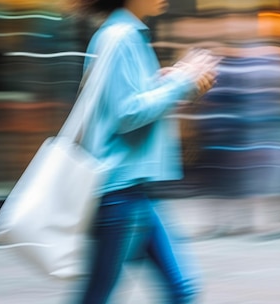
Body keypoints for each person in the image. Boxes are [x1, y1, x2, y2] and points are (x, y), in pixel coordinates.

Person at [68, 0, 219, 303]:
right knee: (99, 296)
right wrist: (181, 82)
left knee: (181, 290)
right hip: (119, 194)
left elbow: (125, 101)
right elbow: (126, 113)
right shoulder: (121, 35)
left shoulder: (123, 33)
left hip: (130, 191)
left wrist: (162, 81)